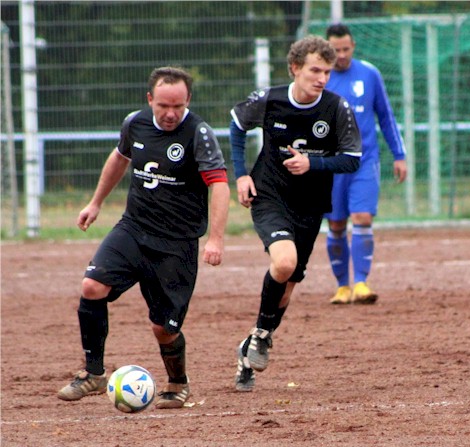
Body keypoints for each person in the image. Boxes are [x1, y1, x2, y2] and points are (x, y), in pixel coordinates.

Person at [56, 67, 230, 409]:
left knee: (163, 328)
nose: (171, 113)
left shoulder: (199, 133)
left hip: (177, 242)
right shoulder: (134, 123)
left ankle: (178, 383)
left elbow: (220, 185)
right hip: (133, 229)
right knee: (92, 286)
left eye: (178, 106)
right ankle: (94, 373)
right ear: (150, 99)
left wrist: (216, 239)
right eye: (164, 105)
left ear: (188, 101)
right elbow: (119, 159)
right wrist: (95, 202)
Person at [229, 36, 362, 392]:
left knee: (286, 290)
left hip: (311, 205)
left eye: (327, 72)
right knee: (284, 262)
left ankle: (250, 347)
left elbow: (352, 159)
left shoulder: (336, 108)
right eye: (315, 71)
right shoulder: (269, 99)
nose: (322, 78)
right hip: (270, 196)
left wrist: (313, 164)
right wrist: (241, 174)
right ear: (295, 68)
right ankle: (261, 335)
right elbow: (237, 124)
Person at [323, 23, 408, 305]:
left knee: (362, 217)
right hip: (331, 164)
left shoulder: (370, 74)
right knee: (336, 223)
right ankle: (342, 287)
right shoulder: (320, 78)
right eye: (336, 50)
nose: (341, 55)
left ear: (353, 47)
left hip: (364, 160)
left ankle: (361, 282)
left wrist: (399, 155)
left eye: (346, 49)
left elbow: (386, 116)